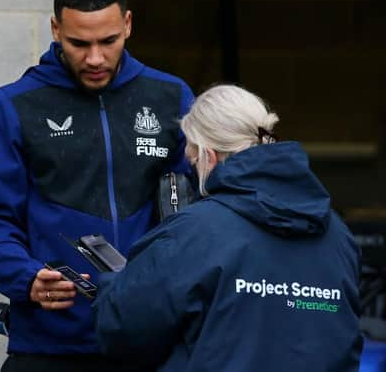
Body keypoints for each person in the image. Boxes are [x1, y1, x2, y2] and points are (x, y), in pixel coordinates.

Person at [0, 0, 195, 371]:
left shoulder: (171, 97)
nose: (94, 58)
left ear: (128, 24)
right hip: (49, 345)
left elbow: (196, 215)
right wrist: (26, 277)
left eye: (107, 41)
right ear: (55, 29)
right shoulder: (15, 105)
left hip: (150, 341)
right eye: (78, 43)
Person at [93, 84, 363, 372]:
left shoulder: (195, 230)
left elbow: (123, 328)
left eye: (194, 160)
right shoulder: (338, 234)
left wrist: (116, 283)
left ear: (209, 156)